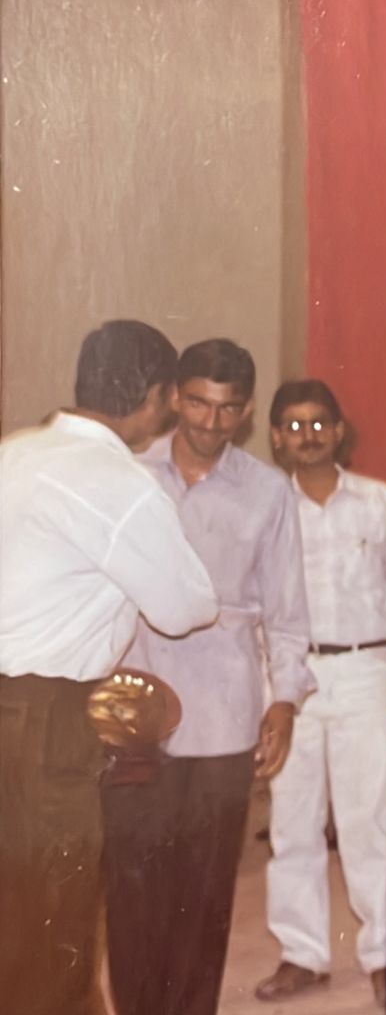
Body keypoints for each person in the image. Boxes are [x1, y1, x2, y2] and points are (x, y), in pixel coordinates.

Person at [0, 320, 219, 1015]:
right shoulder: (115, 480)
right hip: (47, 721)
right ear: (155, 398)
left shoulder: (16, 451)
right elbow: (187, 607)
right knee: (55, 924)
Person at [102, 338, 315, 1015]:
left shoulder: (268, 491)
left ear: (246, 412)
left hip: (224, 717)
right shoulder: (129, 476)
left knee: (204, 895)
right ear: (172, 398)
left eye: (226, 409)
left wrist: (283, 702)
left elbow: (287, 611)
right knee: (133, 891)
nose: (209, 422)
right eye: (196, 402)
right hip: (133, 717)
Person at [255, 379, 386, 1007]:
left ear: (339, 430)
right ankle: (302, 952)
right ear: (274, 436)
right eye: (293, 425)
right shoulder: (267, 508)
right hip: (289, 680)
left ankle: (383, 953)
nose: (308, 435)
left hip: (365, 671)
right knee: (292, 821)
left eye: (320, 423)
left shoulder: (379, 503)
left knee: (369, 819)